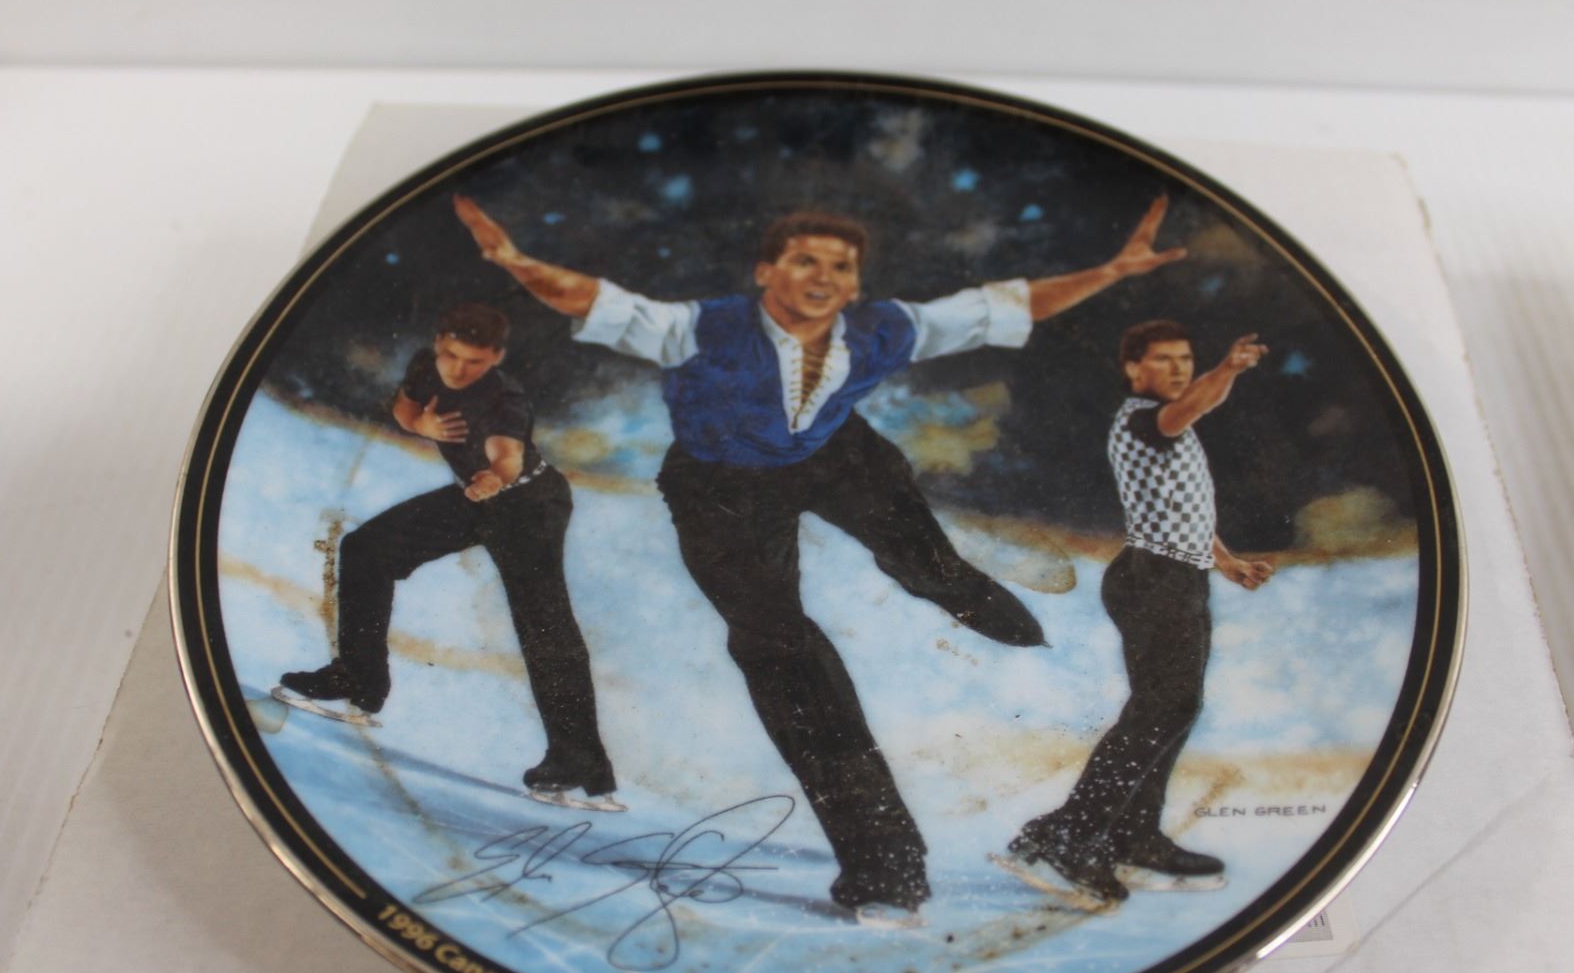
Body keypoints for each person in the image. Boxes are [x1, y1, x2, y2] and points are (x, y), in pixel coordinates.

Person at [454, 195, 1186, 924]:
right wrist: (517, 263)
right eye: (805, 260)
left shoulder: (882, 328)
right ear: (765, 271)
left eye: (840, 266)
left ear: (855, 285)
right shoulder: (700, 329)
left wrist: (1111, 272)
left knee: (927, 564)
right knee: (784, 656)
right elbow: (594, 299)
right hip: (722, 490)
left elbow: (1005, 306)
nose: (823, 275)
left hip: (840, 456)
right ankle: (884, 863)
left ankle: (962, 592)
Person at [279, 303, 618, 807]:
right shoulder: (426, 364)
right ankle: (358, 679)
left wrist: (492, 478)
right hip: (473, 499)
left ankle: (580, 761)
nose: (458, 369)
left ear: (496, 357)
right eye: (452, 356)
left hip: (527, 505)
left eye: (474, 362)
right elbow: (405, 408)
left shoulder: (505, 399)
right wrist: (424, 425)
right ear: (439, 343)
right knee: (367, 549)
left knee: (544, 624)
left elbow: (508, 456)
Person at [1005, 319, 1273, 904]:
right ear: (1133, 368)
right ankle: (1064, 837)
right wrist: (1227, 369)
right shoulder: (1144, 420)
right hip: (1154, 580)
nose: (1178, 369)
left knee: (1173, 709)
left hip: (1177, 577)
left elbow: (1186, 512)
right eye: (1164, 359)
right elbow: (1192, 406)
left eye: (1186, 359)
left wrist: (1225, 561)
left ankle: (1133, 838)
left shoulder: (1171, 427)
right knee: (1162, 708)